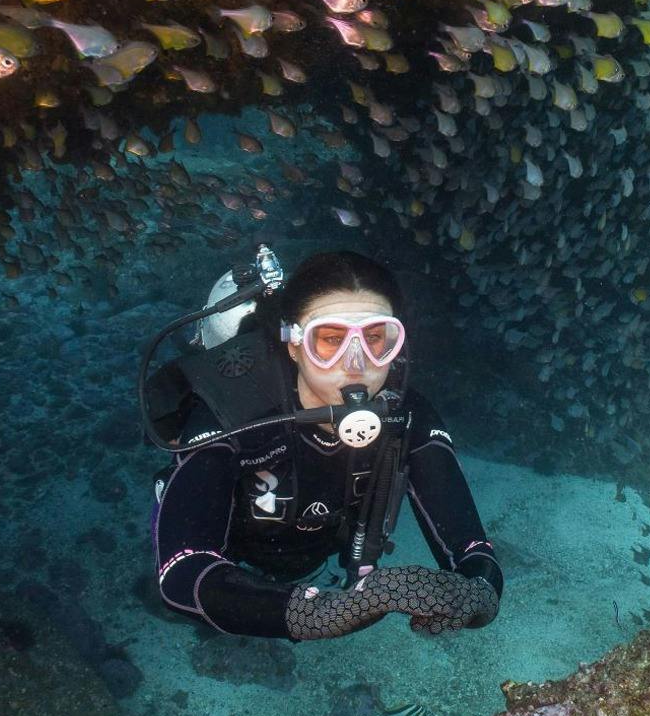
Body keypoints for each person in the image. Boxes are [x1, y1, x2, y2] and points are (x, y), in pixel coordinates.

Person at [149, 250, 503, 642]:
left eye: (375, 339)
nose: (356, 364)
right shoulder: (230, 410)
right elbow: (183, 572)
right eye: (330, 340)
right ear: (294, 345)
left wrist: (478, 595)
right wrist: (314, 614)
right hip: (237, 561)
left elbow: (471, 546)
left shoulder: (406, 413)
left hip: (319, 557)